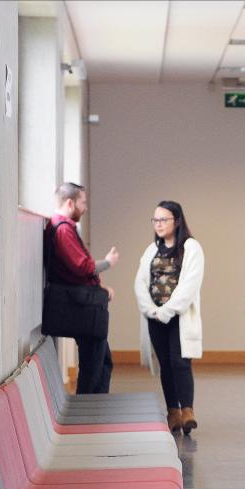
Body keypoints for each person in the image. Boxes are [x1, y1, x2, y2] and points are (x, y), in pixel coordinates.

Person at [134, 201, 204, 433]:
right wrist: (151, 310)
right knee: (165, 365)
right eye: (155, 220)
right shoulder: (151, 250)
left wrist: (167, 311)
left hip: (178, 318)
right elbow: (140, 283)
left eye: (164, 219)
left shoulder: (191, 248)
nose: (159, 224)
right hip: (155, 319)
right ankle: (173, 412)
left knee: (180, 363)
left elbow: (189, 285)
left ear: (177, 221)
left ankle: (188, 412)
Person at [46, 182, 119, 394]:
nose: (85, 208)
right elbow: (82, 267)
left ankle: (95, 410)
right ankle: (87, 415)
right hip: (81, 307)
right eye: (83, 202)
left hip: (83, 304)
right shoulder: (63, 230)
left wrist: (101, 288)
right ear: (70, 202)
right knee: (93, 367)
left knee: (103, 361)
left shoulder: (64, 227)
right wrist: (107, 262)